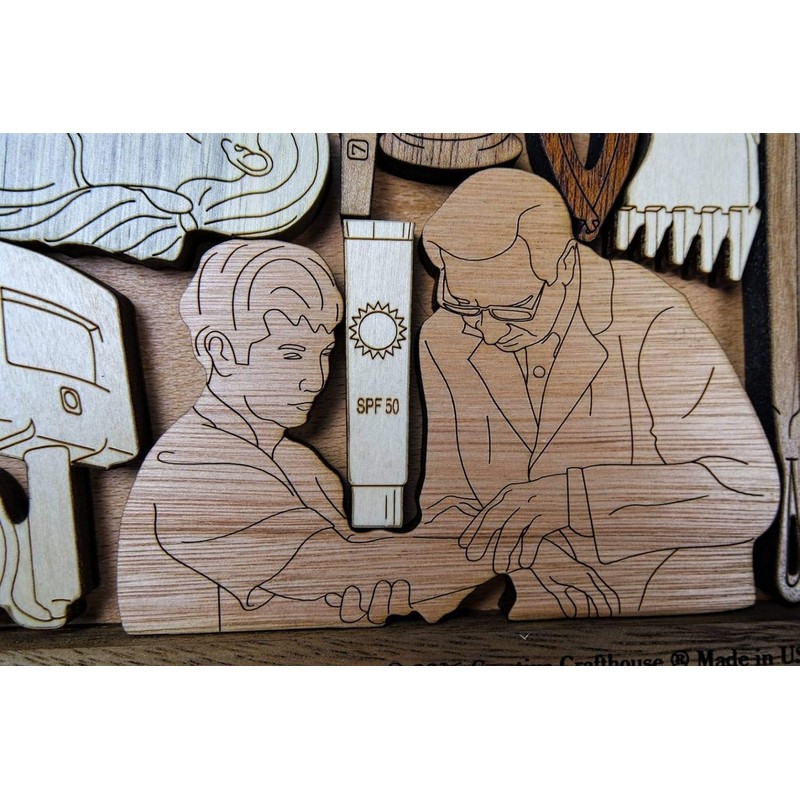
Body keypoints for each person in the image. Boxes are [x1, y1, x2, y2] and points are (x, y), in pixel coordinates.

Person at [416, 168, 780, 618]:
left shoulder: (648, 316)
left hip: (673, 604)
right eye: (463, 304)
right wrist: (413, 573)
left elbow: (747, 490)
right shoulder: (447, 339)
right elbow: (449, 502)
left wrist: (575, 500)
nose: (487, 332)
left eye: (514, 309)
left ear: (565, 266)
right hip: (543, 612)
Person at [118, 240, 497, 633]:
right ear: (220, 350)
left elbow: (357, 565)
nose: (315, 380)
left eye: (324, 353)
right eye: (292, 354)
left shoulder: (300, 465)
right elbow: (339, 568)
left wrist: (449, 538)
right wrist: (494, 542)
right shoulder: (191, 468)